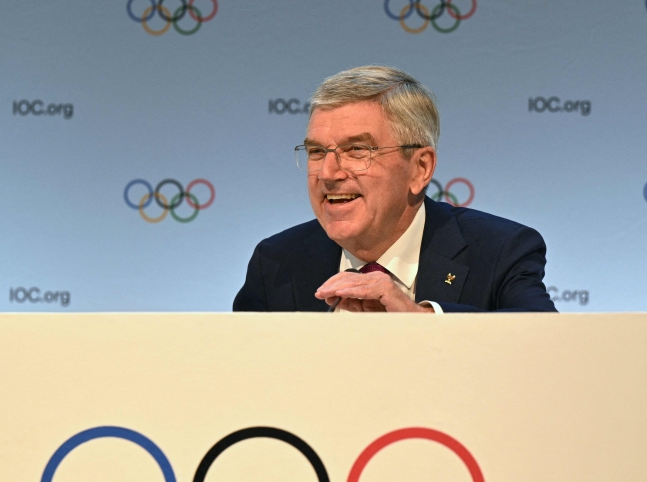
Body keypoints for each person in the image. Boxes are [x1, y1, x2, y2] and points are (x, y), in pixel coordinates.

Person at [233, 65, 557, 313]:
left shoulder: (500, 251)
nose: (328, 173)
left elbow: (544, 346)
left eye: (358, 150)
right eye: (317, 152)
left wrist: (420, 319)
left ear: (420, 169)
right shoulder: (275, 261)